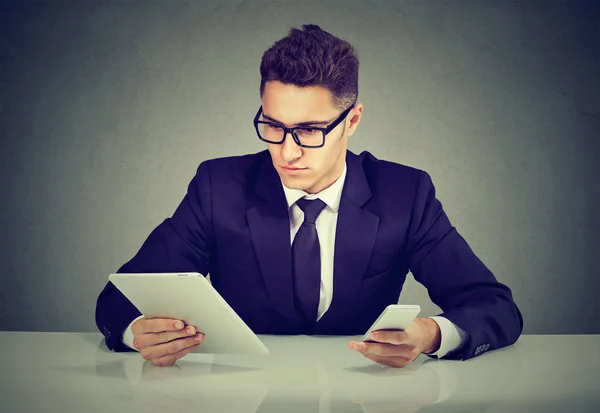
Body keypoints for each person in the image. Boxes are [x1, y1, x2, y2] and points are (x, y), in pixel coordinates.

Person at [95, 24, 523, 368]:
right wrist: (138, 332)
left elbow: (494, 307)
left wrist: (430, 335)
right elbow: (119, 300)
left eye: (310, 131)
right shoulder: (217, 186)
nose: (287, 150)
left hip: (361, 394)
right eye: (273, 126)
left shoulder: (405, 195)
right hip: (242, 395)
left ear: (352, 120)